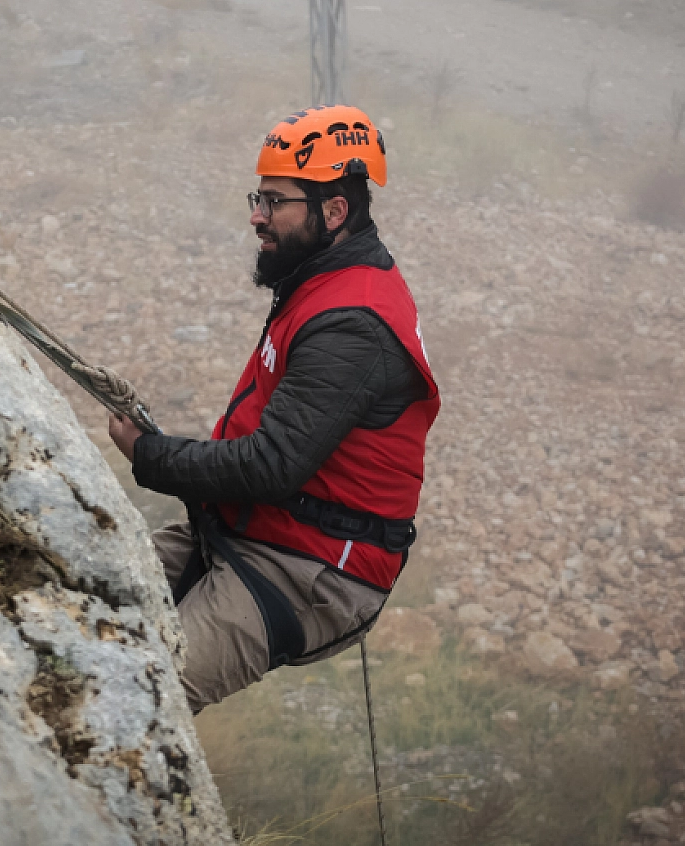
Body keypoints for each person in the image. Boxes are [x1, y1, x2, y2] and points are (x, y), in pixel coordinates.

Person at [108, 105, 440, 713]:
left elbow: (271, 465)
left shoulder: (354, 323)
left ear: (334, 211)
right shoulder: (321, 277)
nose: (257, 218)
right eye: (256, 200)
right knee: (86, 589)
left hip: (312, 569)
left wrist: (152, 455)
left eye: (274, 203)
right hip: (257, 525)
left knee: (141, 701)